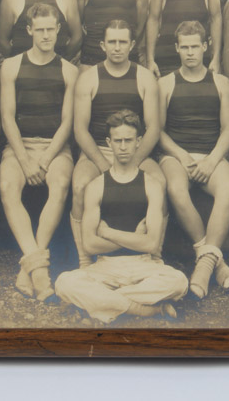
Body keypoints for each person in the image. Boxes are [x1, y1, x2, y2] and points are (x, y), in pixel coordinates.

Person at [54, 110, 188, 323]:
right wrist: (135, 238)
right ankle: (146, 310)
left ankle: (104, 303)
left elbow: (151, 244)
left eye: (128, 140)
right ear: (109, 142)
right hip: (106, 266)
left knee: (178, 281)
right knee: (64, 283)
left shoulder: (152, 185)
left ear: (138, 142)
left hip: (143, 265)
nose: (123, 147)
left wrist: (108, 232)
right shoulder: (96, 186)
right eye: (118, 141)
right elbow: (89, 245)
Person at [0, 3, 79, 301]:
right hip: (20, 146)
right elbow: (7, 117)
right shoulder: (11, 66)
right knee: (8, 186)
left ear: (58, 30)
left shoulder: (69, 71)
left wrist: (44, 160)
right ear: (30, 31)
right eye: (39, 29)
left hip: (55, 149)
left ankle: (29, 268)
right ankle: (39, 268)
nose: (45, 35)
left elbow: (68, 122)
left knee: (58, 184)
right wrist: (24, 159)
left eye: (51, 29)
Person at [70, 20, 164, 268]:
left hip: (135, 152)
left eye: (123, 42)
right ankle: (84, 259)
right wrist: (103, 165)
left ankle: (155, 253)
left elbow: (153, 128)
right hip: (98, 152)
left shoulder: (144, 78)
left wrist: (131, 163)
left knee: (161, 183)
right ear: (102, 45)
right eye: (112, 42)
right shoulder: (89, 78)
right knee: (80, 185)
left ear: (132, 45)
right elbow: (80, 129)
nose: (117, 47)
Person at [157, 21, 229, 298]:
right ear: (177, 48)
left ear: (205, 47)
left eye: (195, 47)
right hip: (176, 156)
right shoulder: (166, 83)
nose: (190, 52)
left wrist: (211, 160)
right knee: (176, 189)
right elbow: (158, 131)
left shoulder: (221, 83)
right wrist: (181, 155)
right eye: (185, 47)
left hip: (211, 155)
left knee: (228, 188)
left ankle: (203, 266)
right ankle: (217, 262)